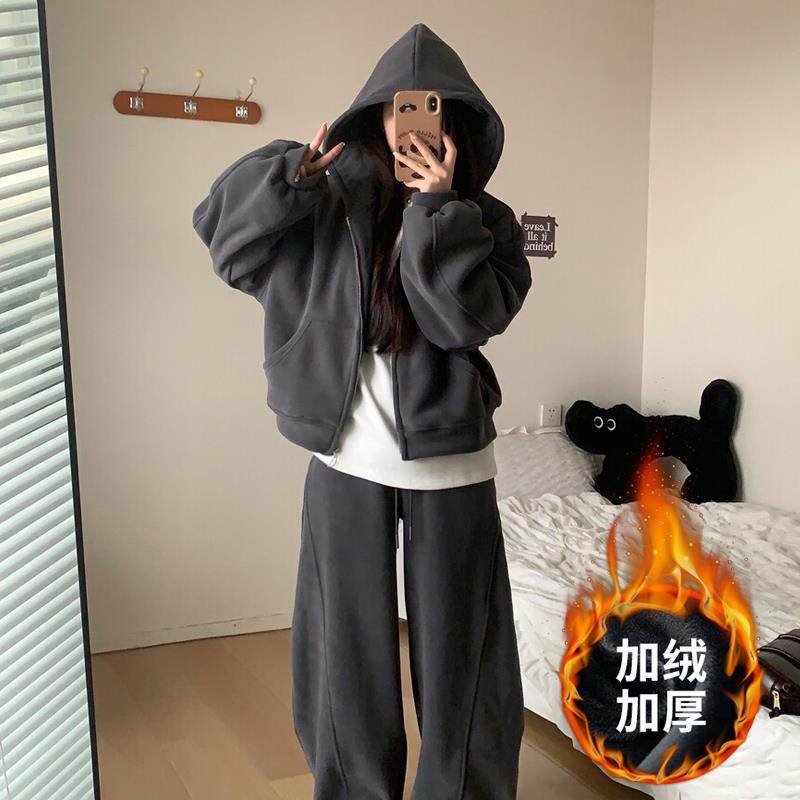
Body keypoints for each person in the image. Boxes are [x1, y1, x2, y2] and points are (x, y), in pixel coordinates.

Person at [193, 22, 531, 800]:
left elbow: (460, 321)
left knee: (465, 659)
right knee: (343, 656)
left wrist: (437, 210)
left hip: (452, 462)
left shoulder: (488, 222)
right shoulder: (322, 201)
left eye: (431, 108)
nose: (411, 125)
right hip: (344, 456)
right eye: (396, 107)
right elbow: (226, 244)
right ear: (373, 114)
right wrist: (289, 179)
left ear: (455, 121)